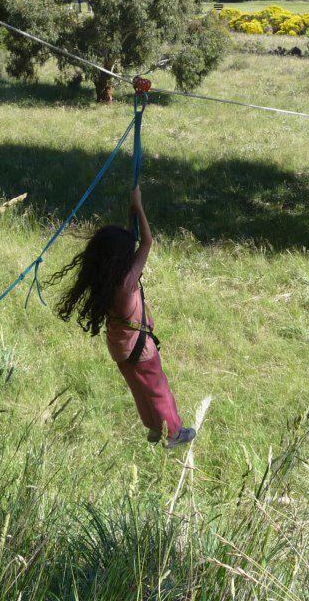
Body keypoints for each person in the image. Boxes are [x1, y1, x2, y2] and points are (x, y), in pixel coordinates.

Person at [52, 185, 196, 448]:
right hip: (139, 347)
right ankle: (174, 433)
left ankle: (154, 427)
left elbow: (131, 243)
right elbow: (147, 242)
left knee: (140, 389)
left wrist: (132, 216)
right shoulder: (127, 281)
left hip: (119, 346)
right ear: (122, 257)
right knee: (158, 389)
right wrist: (139, 206)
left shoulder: (103, 279)